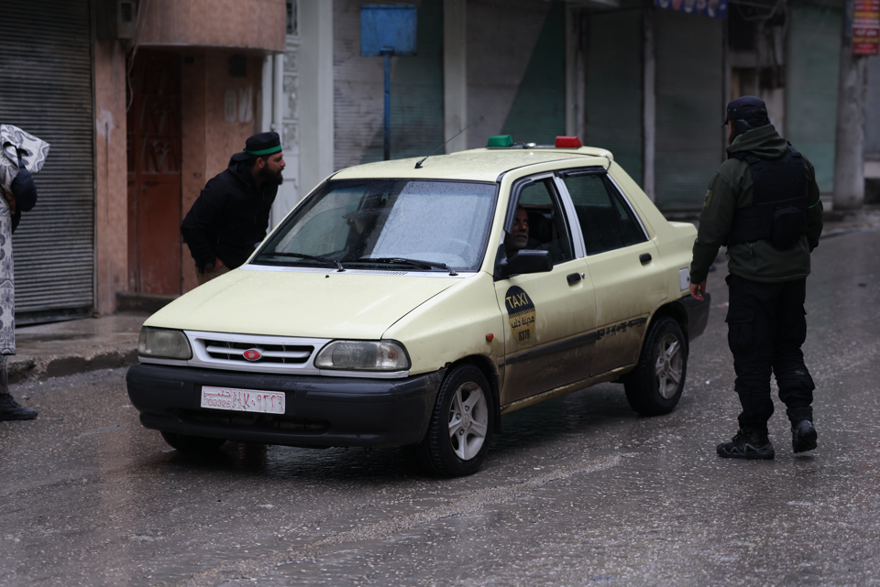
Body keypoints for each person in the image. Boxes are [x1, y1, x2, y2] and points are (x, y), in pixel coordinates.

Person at [689, 95, 823, 460]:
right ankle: (801, 420)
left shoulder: (732, 172)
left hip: (752, 280)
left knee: (752, 355)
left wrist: (697, 275)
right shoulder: (800, 163)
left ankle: (754, 436)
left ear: (737, 127)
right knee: (788, 348)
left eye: (729, 126)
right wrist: (799, 252)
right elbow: (814, 214)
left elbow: (710, 232)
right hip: (793, 276)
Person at [181, 132, 285, 285]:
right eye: (277, 159)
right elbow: (190, 227)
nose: (283, 163)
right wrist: (212, 263)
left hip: (248, 267)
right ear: (260, 162)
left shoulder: (269, 184)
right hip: (220, 268)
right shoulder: (222, 186)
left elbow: (261, 223)